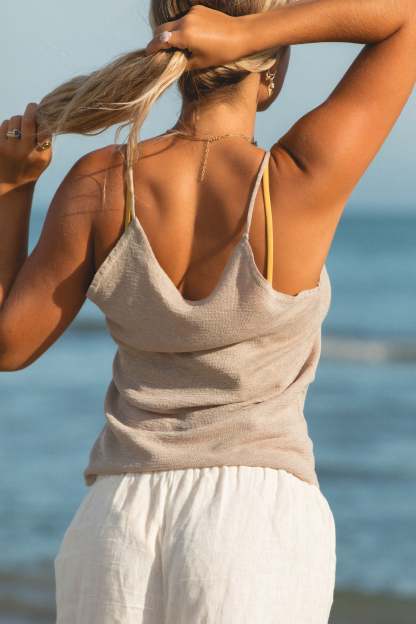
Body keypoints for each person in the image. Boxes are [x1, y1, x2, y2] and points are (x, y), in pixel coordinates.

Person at [0, 0, 414, 622]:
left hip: (118, 519)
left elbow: (10, 347)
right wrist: (248, 34)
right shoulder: (297, 179)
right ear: (270, 67)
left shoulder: (101, 182)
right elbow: (405, 18)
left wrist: (11, 187)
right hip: (254, 524)